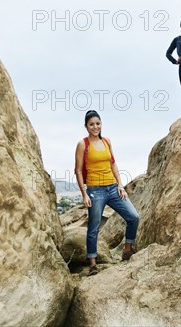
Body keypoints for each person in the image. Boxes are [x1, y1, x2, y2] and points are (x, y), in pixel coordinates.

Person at [74, 110, 140, 276]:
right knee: (94, 228)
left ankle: (127, 248)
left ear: (101, 124)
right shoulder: (83, 144)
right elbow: (78, 171)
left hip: (112, 188)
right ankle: (93, 264)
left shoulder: (106, 141)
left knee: (133, 217)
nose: (95, 127)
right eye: (91, 124)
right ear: (86, 126)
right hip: (95, 192)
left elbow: (113, 164)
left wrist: (120, 185)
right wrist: (84, 194)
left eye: (98, 123)